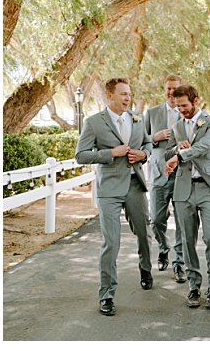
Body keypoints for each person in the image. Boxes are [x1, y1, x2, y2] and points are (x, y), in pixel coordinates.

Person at [75, 77, 152, 316]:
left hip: (135, 185)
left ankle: (146, 269)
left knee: (143, 232)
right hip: (108, 189)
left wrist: (142, 155)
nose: (128, 98)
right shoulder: (93, 122)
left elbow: (148, 145)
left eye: (129, 94)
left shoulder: (138, 119)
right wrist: (110, 153)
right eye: (123, 94)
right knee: (111, 242)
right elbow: (81, 155)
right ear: (110, 96)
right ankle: (107, 294)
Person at [164, 85, 210, 309]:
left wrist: (181, 155)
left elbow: (206, 145)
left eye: (184, 105)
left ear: (196, 101)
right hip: (183, 189)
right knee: (187, 241)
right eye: (178, 105)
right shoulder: (177, 126)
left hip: (207, 187)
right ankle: (194, 286)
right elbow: (166, 152)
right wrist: (175, 150)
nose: (181, 109)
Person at [145, 75, 186, 283]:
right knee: (156, 219)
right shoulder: (152, 113)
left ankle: (179, 263)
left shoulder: (187, 113)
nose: (172, 92)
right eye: (169, 88)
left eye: (176, 89)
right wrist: (154, 137)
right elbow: (140, 141)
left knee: (182, 222)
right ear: (165, 90)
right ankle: (163, 248)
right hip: (158, 176)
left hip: (181, 175)